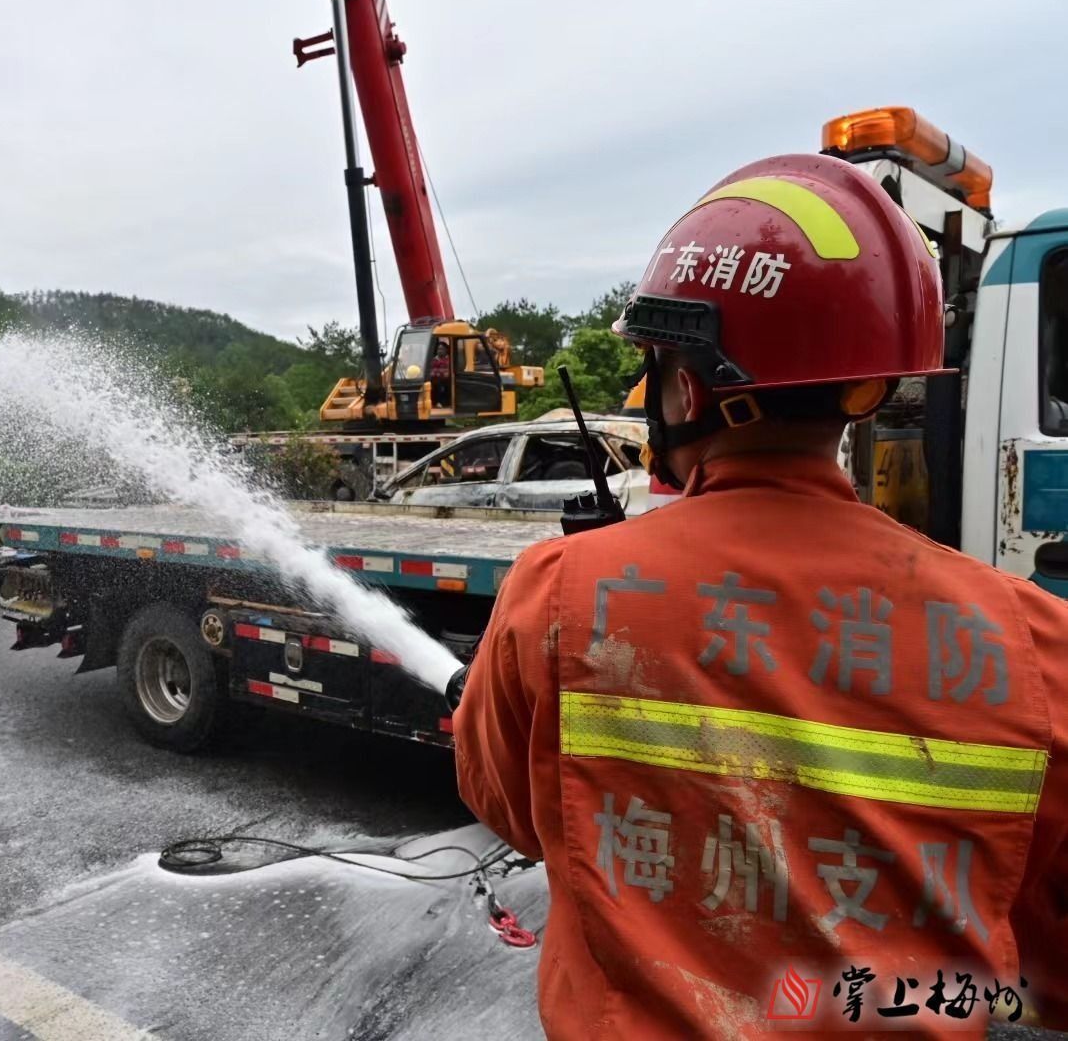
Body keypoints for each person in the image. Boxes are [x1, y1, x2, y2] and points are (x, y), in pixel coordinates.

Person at [453, 153, 1068, 1037]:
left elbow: (511, 810)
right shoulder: (1037, 642)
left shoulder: (556, 596)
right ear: (869, 386)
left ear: (688, 385)